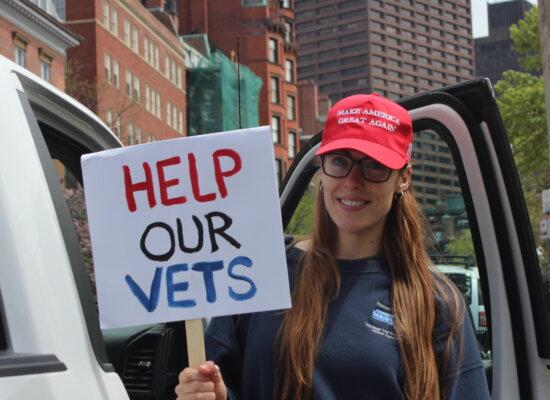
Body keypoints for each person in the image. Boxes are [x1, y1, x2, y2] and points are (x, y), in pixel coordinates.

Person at [175, 93, 490, 400]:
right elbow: (222, 382)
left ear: (403, 178)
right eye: (340, 161)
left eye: (375, 165)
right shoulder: (257, 269)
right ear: (321, 168)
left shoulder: (437, 303)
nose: (353, 180)